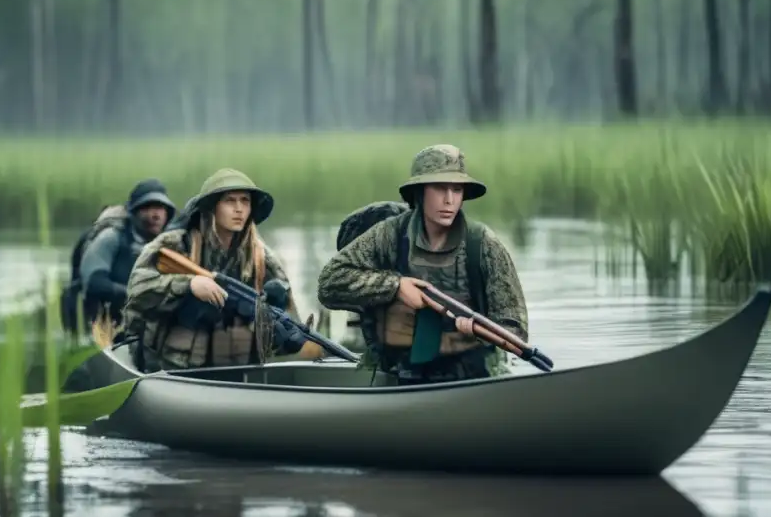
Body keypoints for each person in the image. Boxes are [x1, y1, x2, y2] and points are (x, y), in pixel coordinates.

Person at [316, 144, 528, 384]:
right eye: (439, 188)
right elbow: (329, 283)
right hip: (396, 376)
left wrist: (478, 332)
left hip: (473, 379)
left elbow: (515, 332)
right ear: (419, 192)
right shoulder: (388, 236)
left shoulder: (483, 245)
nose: (449, 200)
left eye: (457, 190)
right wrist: (395, 286)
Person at [122, 168, 308, 371]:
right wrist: (188, 285)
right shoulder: (176, 244)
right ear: (212, 208)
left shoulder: (262, 258)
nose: (239, 209)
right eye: (230, 201)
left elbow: (290, 323)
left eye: (245, 201)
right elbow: (136, 291)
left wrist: (282, 334)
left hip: (239, 370)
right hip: (170, 368)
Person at [61, 179, 176, 333]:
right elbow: (94, 284)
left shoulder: (170, 245)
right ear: (133, 212)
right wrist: (140, 295)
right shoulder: (111, 238)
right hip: (102, 326)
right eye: (148, 207)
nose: (156, 215)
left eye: (160, 208)